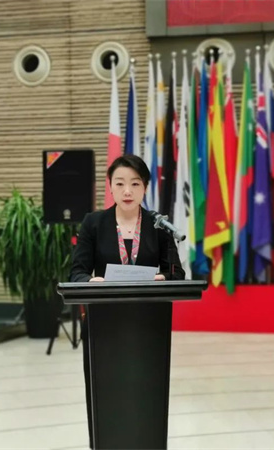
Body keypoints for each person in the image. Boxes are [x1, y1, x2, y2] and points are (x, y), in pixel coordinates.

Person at [69, 154, 185, 448]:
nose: (127, 191)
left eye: (135, 183)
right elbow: (77, 272)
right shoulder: (94, 223)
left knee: (145, 394)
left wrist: (163, 278)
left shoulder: (159, 225)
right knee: (105, 392)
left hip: (148, 326)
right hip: (103, 326)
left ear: (145, 187)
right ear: (110, 186)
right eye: (120, 183)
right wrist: (89, 282)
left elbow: (177, 273)